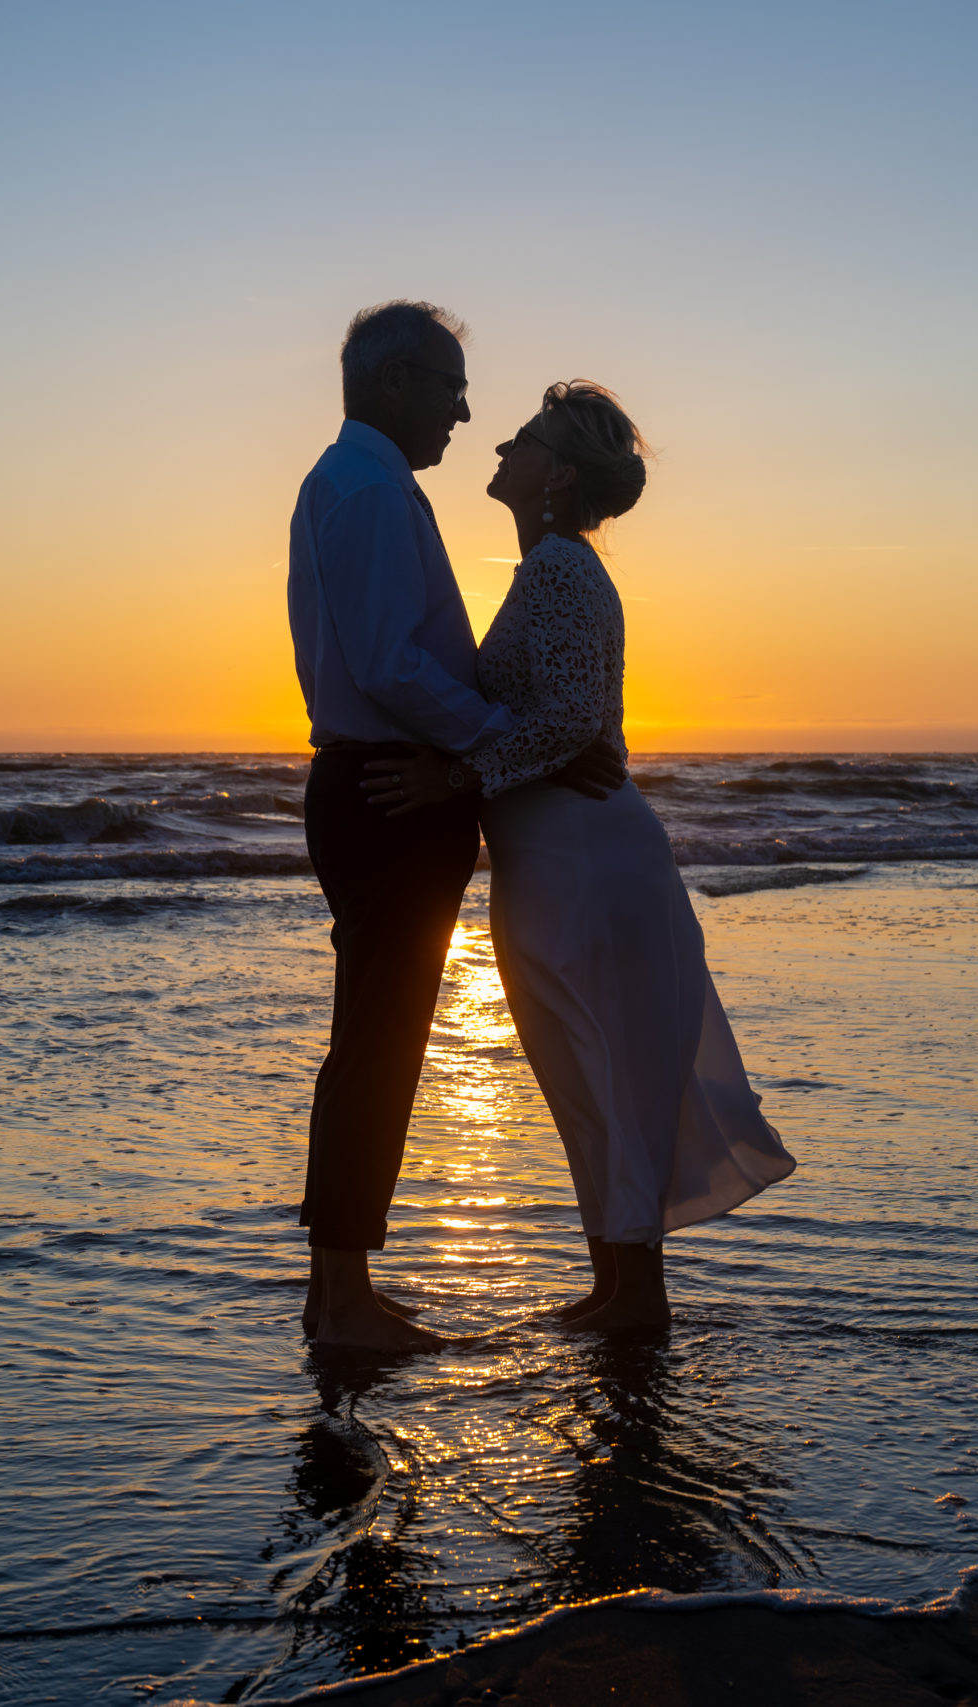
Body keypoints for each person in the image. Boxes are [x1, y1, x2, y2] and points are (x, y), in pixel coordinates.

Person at [364, 382, 796, 1332]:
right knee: (589, 1068)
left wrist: (455, 779)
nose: (500, 445)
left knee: (601, 1066)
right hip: (572, 856)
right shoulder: (554, 571)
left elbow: (567, 721)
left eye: (523, 437)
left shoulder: (559, 569)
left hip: (584, 865)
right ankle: (621, 1286)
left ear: (555, 475)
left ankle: (633, 1295)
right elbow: (584, 723)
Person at [287, 302, 623, 1351]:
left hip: (379, 780)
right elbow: (391, 665)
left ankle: (342, 1288)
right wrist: (500, 748)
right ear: (394, 382)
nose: (465, 410)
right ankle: (342, 1300)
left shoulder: (359, 484)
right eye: (450, 385)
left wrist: (486, 755)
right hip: (391, 787)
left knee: (374, 1041)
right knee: (377, 1043)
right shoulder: (370, 491)